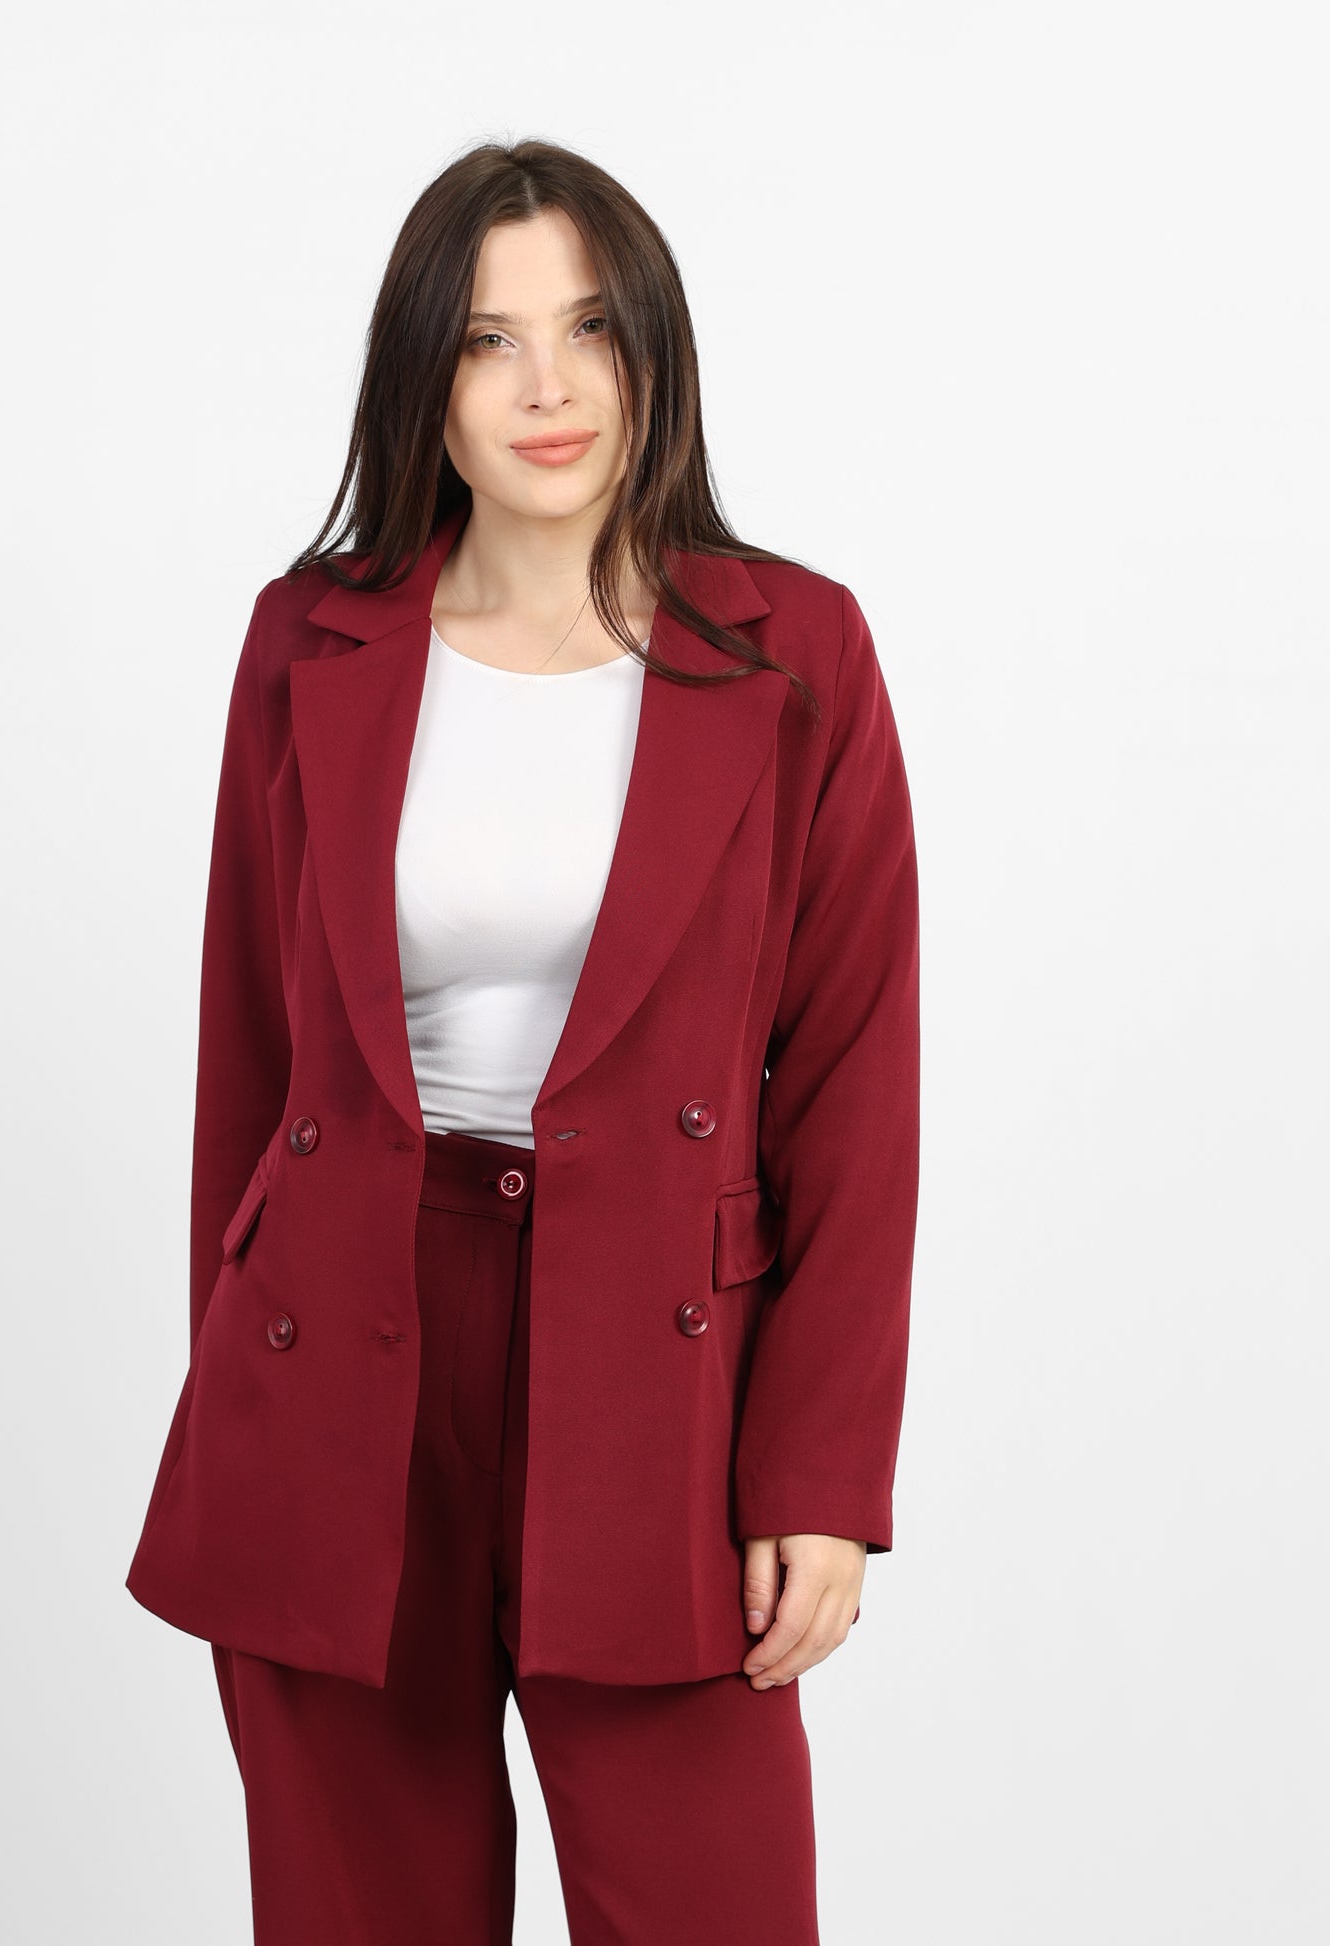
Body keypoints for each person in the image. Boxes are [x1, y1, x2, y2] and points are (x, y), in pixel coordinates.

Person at [125, 137, 920, 1946]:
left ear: (654, 350)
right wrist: (245, 1423)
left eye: (588, 330)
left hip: (660, 1364)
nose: (546, 387)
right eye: (489, 340)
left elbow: (855, 1081)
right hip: (346, 1359)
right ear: (426, 375)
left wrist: (818, 1476)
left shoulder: (793, 650)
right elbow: (249, 1057)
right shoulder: (307, 641)